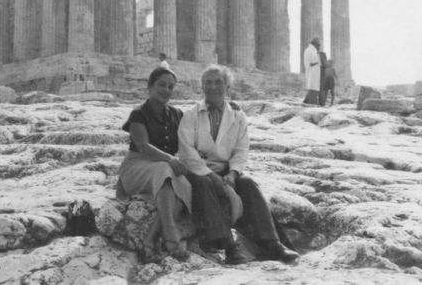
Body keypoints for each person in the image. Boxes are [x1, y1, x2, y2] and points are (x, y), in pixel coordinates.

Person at [177, 64, 300, 264]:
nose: (213, 87)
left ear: (227, 86)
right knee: (204, 183)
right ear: (202, 87)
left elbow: (241, 150)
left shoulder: (238, 116)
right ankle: (229, 246)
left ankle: (272, 243)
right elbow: (186, 151)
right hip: (198, 170)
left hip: (227, 170)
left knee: (249, 183)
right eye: (208, 82)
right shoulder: (190, 115)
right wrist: (211, 175)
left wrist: (233, 174)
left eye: (218, 82)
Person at [116, 67, 193, 261]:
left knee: (184, 186)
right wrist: (170, 159)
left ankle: (149, 241)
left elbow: (190, 141)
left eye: (170, 87)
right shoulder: (138, 113)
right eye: (161, 85)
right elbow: (143, 146)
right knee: (166, 170)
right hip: (136, 167)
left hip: (162, 170)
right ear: (149, 87)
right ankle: (171, 235)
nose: (166, 90)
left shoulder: (178, 115)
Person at [302, 37, 321, 105]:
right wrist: (317, 63)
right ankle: (311, 102)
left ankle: (308, 101)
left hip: (314, 72)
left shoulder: (312, 50)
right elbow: (310, 62)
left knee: (313, 87)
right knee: (313, 87)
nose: (319, 46)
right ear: (315, 44)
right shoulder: (310, 50)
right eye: (318, 45)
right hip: (312, 72)